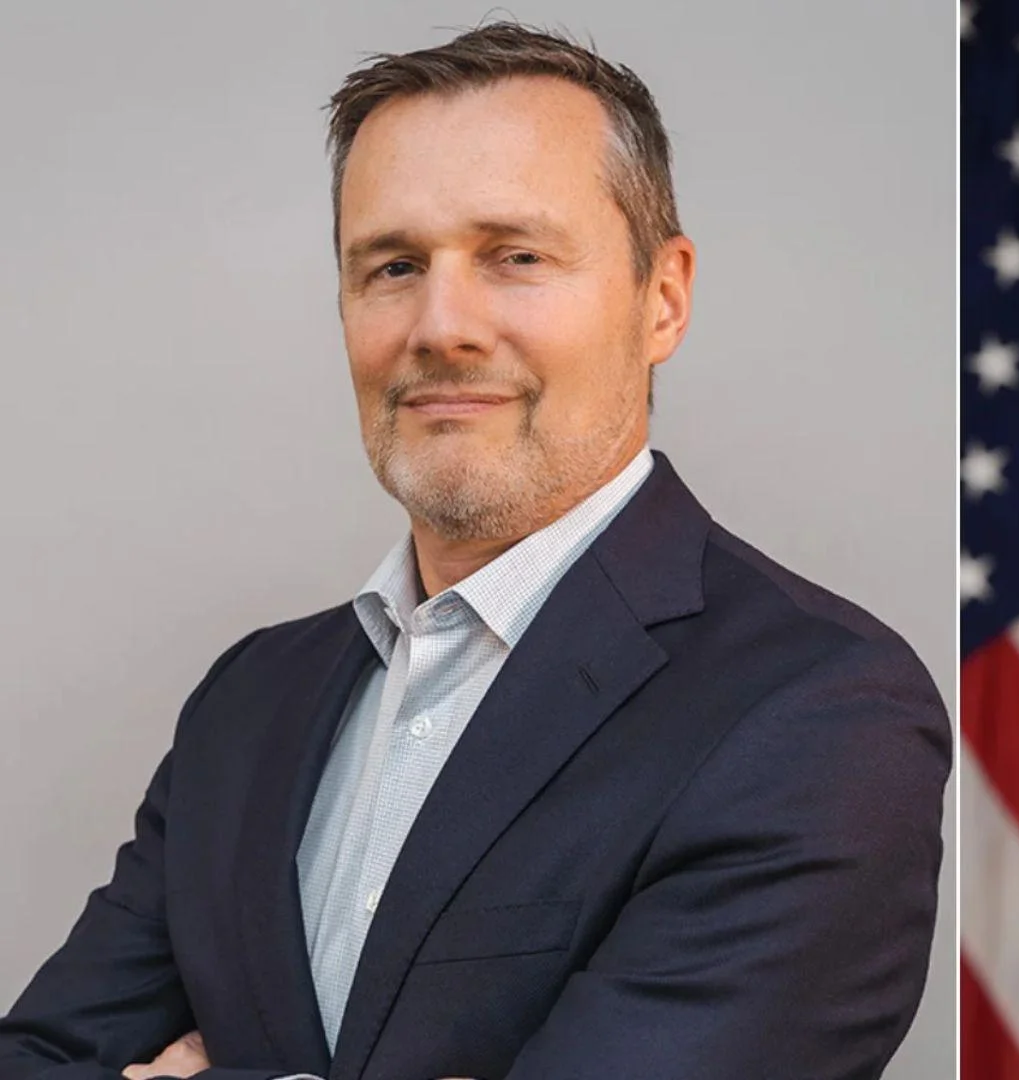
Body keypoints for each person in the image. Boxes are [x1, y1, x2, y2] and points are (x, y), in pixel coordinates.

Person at [0, 22, 949, 1080]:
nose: (442, 326)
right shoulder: (249, 701)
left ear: (663, 298)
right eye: (394, 264)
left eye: (516, 257)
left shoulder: (819, 711)